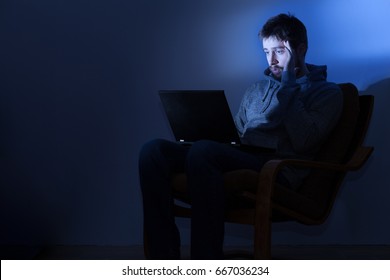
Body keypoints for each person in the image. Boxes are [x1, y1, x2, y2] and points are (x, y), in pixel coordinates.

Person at [138, 13, 343, 259]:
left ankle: (206, 260)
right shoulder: (256, 90)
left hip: (277, 169)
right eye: (266, 52)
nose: (272, 60)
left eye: (279, 51)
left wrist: (289, 85)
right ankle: (163, 259)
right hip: (245, 156)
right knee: (153, 152)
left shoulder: (327, 93)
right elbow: (236, 137)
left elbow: (304, 141)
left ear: (301, 49)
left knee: (204, 151)